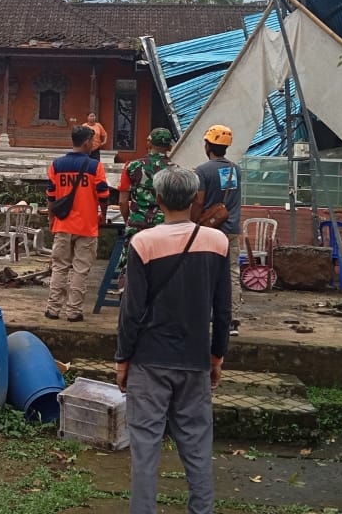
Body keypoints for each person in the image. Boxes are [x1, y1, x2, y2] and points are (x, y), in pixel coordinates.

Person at [116, 165, 231, 514]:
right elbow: (222, 309)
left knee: (145, 449)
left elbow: (131, 311)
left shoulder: (143, 242)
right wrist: (216, 356)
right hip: (195, 358)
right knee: (197, 447)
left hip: (149, 360)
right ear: (195, 199)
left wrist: (123, 359)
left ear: (159, 198)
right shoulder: (218, 242)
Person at [45, 126, 109, 322]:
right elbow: (104, 195)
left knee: (59, 267)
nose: (94, 144)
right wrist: (103, 215)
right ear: (86, 142)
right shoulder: (95, 166)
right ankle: (74, 311)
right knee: (81, 269)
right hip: (87, 226)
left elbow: (51, 196)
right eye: (93, 141)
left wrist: (51, 218)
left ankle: (53, 309)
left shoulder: (56, 165)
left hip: (63, 224)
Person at [193, 124, 243, 336]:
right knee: (232, 272)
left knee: (205, 273)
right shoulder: (235, 169)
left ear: (208, 146)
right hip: (232, 229)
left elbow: (199, 201)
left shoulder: (203, 170)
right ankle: (232, 319)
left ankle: (203, 317)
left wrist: (192, 221)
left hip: (209, 230)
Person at [116, 128, 175, 271]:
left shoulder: (132, 166)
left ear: (149, 143)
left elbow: (122, 201)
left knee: (132, 269)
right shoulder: (176, 171)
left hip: (137, 225)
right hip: (164, 227)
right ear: (169, 147)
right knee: (161, 270)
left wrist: (128, 220)